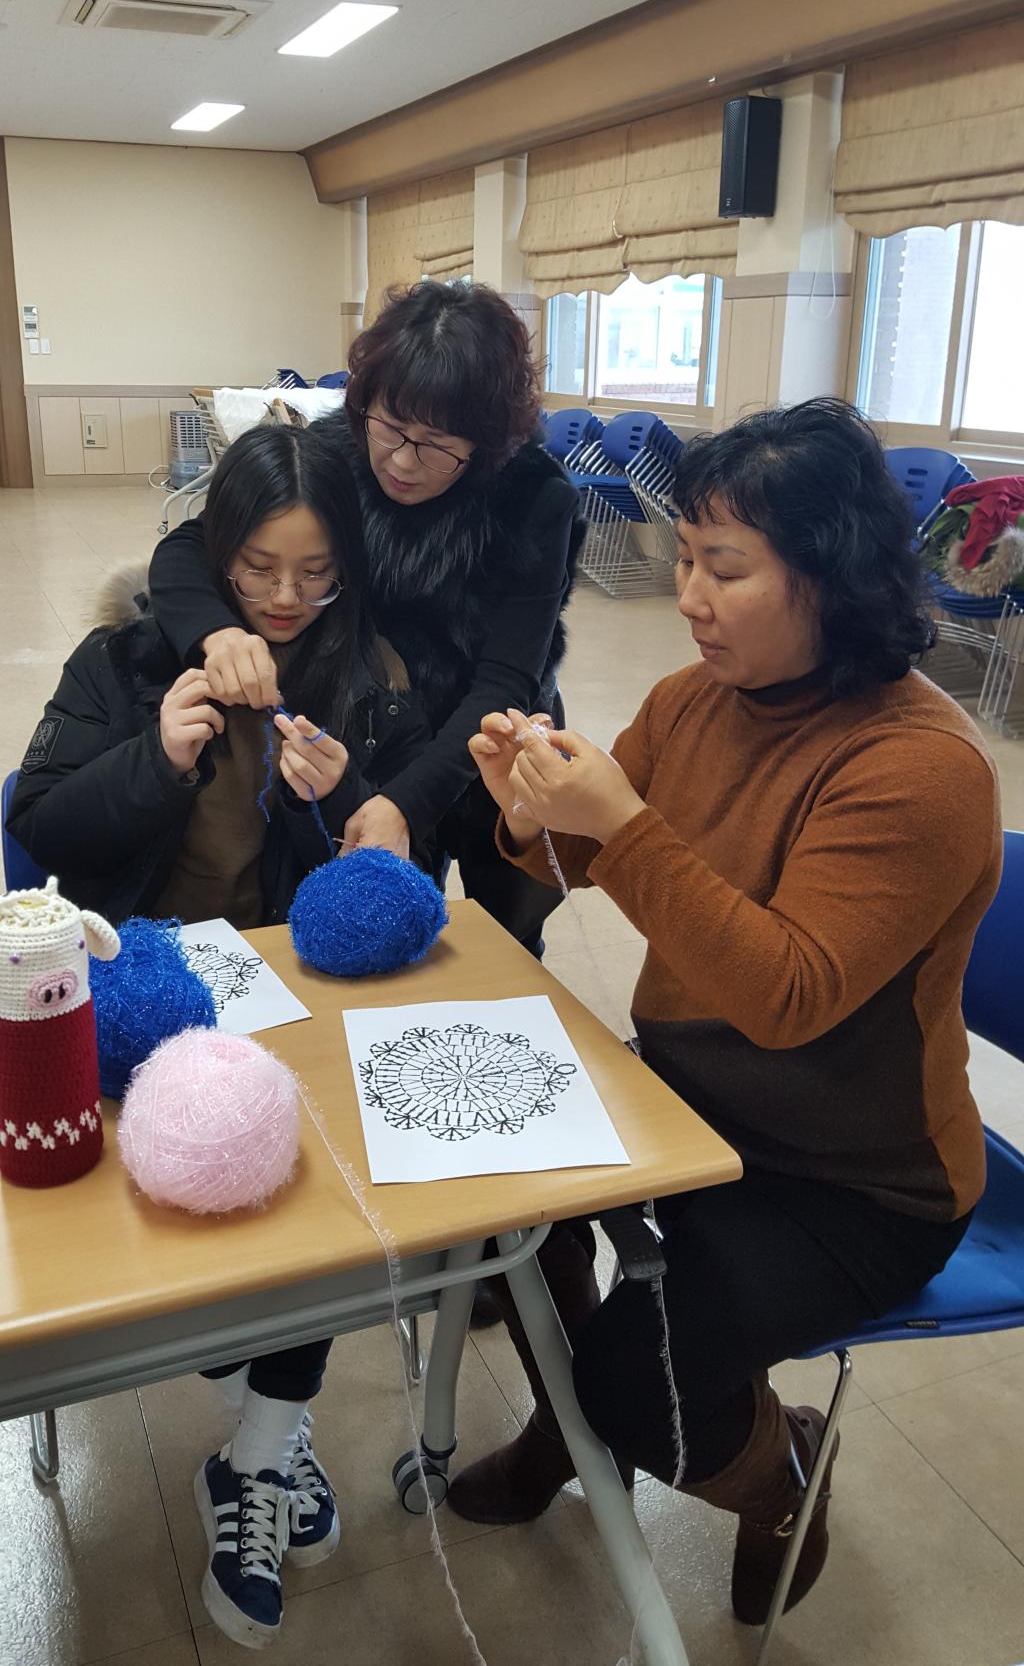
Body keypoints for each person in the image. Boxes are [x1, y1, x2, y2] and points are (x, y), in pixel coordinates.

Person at [450, 399, 1002, 1629]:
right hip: (693, 1095)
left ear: (832, 576)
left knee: (635, 1375)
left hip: (853, 1174)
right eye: (687, 557)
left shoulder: (918, 765)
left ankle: (775, 1474)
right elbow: (572, 862)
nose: (689, 595)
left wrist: (621, 822)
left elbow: (784, 995)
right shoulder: (693, 699)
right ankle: (570, 1429)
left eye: (724, 566)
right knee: (493, 1200)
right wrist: (528, 811)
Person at [6, 421, 432, 1651]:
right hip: (140, 983)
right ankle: (260, 1412)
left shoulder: (365, 672)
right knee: (233, 1184)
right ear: (213, 555)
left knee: (324, 1184)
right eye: (256, 568)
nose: (286, 598)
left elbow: (376, 875)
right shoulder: (123, 656)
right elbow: (40, 827)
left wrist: (348, 802)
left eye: (317, 572)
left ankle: (257, 1447)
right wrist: (155, 756)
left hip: (279, 992)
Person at [147, 281, 584, 956]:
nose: (403, 462)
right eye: (392, 427)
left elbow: (505, 681)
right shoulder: (336, 450)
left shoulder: (535, 496)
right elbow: (188, 547)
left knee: (506, 933)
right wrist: (220, 633)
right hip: (378, 727)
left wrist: (409, 802)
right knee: (394, 918)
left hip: (489, 733)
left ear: (486, 441)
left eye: (437, 445)